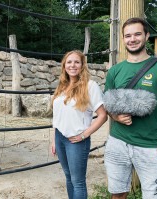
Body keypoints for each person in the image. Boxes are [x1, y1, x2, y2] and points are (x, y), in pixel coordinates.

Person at [104, 17, 157, 199]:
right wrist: (115, 117)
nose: (132, 39)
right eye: (128, 35)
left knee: (155, 196)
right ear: (123, 39)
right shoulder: (114, 71)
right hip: (117, 142)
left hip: (151, 147)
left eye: (137, 34)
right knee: (117, 193)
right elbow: (108, 104)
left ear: (147, 36)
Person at [51, 50, 108, 199]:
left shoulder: (90, 86)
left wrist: (84, 134)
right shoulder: (62, 87)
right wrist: (53, 140)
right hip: (60, 137)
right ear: (64, 66)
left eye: (76, 62)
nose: (72, 65)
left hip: (77, 140)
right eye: (69, 62)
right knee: (68, 177)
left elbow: (103, 115)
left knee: (78, 182)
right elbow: (57, 116)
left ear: (82, 65)